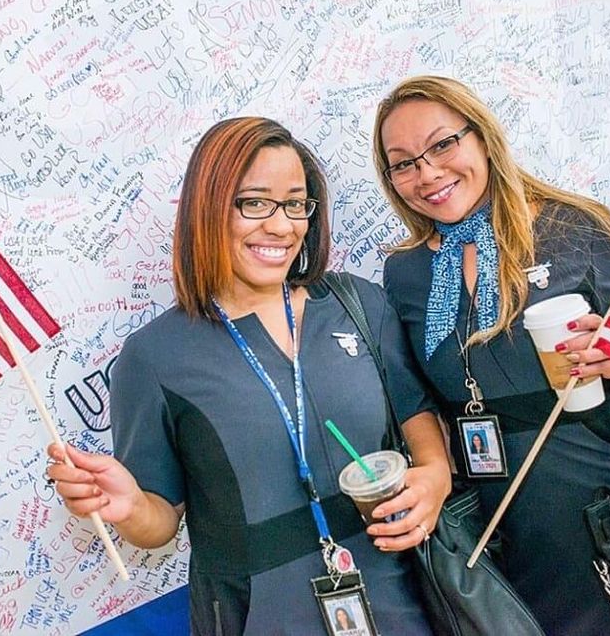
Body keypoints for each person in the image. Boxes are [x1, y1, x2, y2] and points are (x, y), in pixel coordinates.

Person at [47, 117, 451, 635]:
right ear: (208, 209)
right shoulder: (153, 357)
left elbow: (414, 413)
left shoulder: (358, 305)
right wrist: (125, 507)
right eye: (255, 202)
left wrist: (435, 475)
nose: (281, 226)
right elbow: (159, 522)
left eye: (295, 204)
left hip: (404, 606)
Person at [372, 75, 610, 635]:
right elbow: (412, 395)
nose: (428, 173)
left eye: (442, 145)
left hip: (606, 495)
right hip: (495, 515)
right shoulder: (404, 272)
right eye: (404, 163)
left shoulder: (570, 224)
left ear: (481, 137)